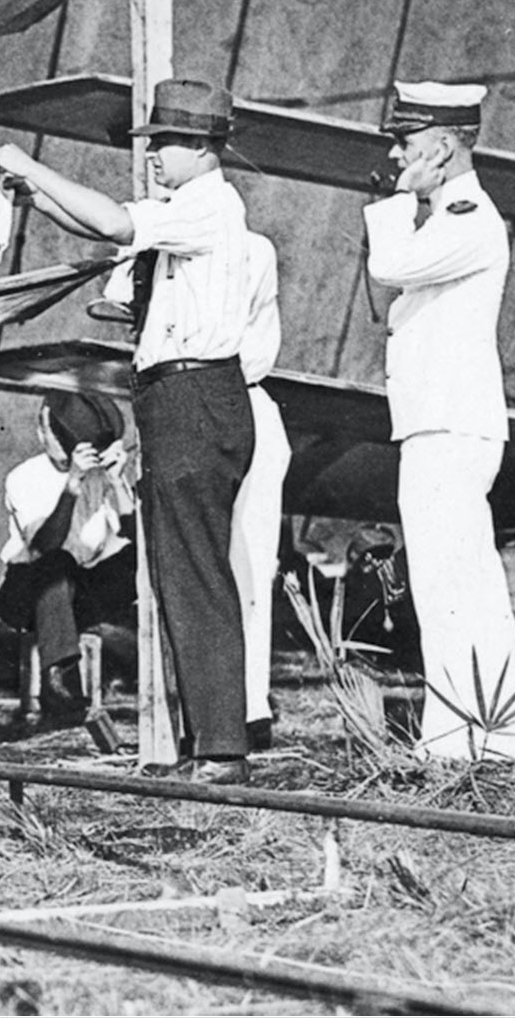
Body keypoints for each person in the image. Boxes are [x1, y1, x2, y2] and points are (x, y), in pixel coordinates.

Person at [0, 76, 256, 783]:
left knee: (193, 572)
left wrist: (28, 166)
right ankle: (209, 740)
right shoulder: (188, 206)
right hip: (178, 397)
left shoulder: (205, 206)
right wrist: (31, 195)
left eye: (165, 143)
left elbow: (110, 224)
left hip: (194, 394)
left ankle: (222, 746)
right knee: (176, 571)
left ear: (202, 146)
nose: (154, 155)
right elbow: (101, 221)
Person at [363, 80, 515, 763]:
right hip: (437, 421)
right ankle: (471, 736)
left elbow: (388, 266)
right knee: (449, 583)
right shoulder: (443, 217)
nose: (395, 156)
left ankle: (483, 739)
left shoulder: (466, 216)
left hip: (450, 423)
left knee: (453, 582)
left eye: (405, 144)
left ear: (439, 147)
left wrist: (395, 198)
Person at [0, 390, 136, 743]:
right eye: (54, 432)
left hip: (79, 589)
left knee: (141, 559)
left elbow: (136, 536)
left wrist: (118, 482)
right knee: (57, 562)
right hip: (27, 592)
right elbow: (44, 545)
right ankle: (60, 680)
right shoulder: (24, 477)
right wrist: (71, 485)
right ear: (42, 432)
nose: (61, 441)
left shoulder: (100, 475)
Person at [230, 229, 291, 750]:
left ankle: (249, 704)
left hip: (241, 400)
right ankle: (222, 703)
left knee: (252, 563)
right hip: (197, 404)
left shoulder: (252, 247)